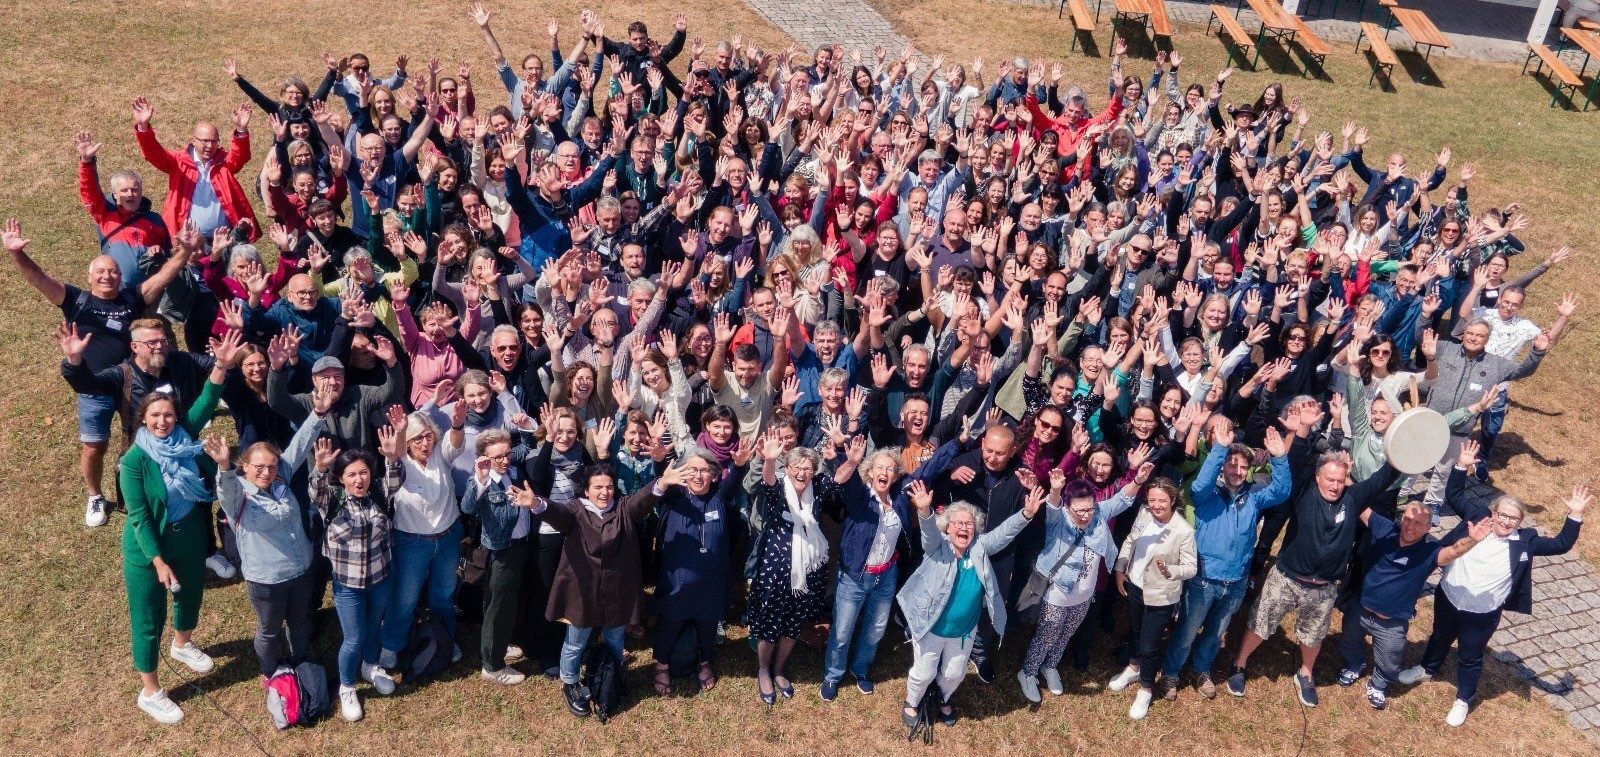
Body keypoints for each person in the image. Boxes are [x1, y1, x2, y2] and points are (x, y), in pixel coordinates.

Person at [5, 218, 190, 526]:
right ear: (89, 277)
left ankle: (152, 486)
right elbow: (39, 279)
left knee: (146, 437)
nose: (108, 276)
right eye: (101, 271)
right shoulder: (75, 300)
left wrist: (185, 252)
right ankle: (95, 496)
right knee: (94, 446)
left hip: (132, 384)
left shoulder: (132, 298)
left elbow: (163, 277)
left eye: (113, 271)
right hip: (93, 386)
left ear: (121, 277)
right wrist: (16, 253)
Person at [1398, 443, 1588, 727]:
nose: (1507, 521)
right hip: (1449, 596)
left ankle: (1463, 699)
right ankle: (1427, 668)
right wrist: (1461, 466)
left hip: (1483, 612)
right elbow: (1454, 495)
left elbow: (1561, 544)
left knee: (1471, 655)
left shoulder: (1526, 541)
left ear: (1520, 521)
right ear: (1493, 512)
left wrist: (1575, 515)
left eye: (1514, 518)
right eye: (1503, 515)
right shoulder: (1477, 518)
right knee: (1439, 636)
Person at [115, 330, 239, 724]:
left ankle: (182, 644)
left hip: (188, 535)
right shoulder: (133, 462)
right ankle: (150, 691)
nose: (163, 421)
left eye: (168, 415)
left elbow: (206, 400)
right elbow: (139, 517)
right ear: (143, 419)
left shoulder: (184, 435)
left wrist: (221, 365)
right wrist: (157, 561)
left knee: (191, 595)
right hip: (147, 548)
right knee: (148, 617)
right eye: (155, 416)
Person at [1226, 451, 1403, 707]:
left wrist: (1405, 449)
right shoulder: (1303, 492)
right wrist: (1295, 439)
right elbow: (1297, 461)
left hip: (1324, 588)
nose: (1335, 486)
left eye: (1340, 481)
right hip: (1286, 578)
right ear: (1318, 477)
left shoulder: (1353, 498)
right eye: (1330, 479)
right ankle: (1239, 663)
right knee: (1261, 623)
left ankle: (1305, 673)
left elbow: (1383, 477)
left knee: (1314, 635)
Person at [821, 440, 963, 701]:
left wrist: (958, 443)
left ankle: (860, 669)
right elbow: (844, 479)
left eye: (889, 469)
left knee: (875, 630)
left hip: (885, 576)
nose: (884, 472)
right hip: (854, 577)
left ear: (895, 475)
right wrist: (848, 459)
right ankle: (833, 674)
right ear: (870, 472)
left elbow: (930, 468)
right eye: (879, 467)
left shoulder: (899, 498)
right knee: (842, 631)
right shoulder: (860, 496)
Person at [1160, 420, 1291, 700]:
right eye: (1232, 465)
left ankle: (1201, 669)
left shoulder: (1254, 497)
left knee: (1216, 632)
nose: (1237, 471)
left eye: (1243, 467)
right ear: (1222, 467)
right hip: (1203, 579)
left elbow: (1282, 492)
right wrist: (1220, 448)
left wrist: (1280, 458)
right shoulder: (1207, 494)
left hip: (1236, 581)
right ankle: (1171, 672)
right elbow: (1199, 485)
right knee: (1188, 630)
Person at [898, 479, 1044, 727]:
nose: (964, 528)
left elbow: (1004, 533)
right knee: (923, 673)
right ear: (947, 527)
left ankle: (941, 697)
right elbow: (929, 533)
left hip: (964, 631)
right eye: (958, 523)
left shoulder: (980, 547)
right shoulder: (937, 547)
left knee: (955, 674)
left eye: (969, 524)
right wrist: (924, 511)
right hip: (932, 628)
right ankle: (912, 702)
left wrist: (1026, 514)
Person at [1016, 463, 1151, 704]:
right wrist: (1055, 490)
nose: (1086, 515)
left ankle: (1050, 666)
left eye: (1089, 509)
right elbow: (1053, 506)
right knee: (1046, 636)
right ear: (1068, 507)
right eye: (1079, 511)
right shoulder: (1059, 520)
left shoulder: (1098, 514)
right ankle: (1028, 672)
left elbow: (1121, 499)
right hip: (1058, 595)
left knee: (1065, 635)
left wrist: (1138, 480)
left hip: (1085, 596)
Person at [206, 410, 323, 680]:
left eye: (271, 466)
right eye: (258, 467)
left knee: (300, 622)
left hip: (301, 570)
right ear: (245, 466)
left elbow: (300, 444)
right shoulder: (238, 495)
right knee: (270, 630)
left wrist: (318, 413)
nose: (266, 472)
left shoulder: (280, 476)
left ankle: (301, 663)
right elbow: (226, 488)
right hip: (267, 581)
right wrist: (223, 466)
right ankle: (271, 674)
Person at [541, 461, 662, 717]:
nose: (604, 492)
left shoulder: (623, 508)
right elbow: (556, 513)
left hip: (617, 589)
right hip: (583, 591)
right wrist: (535, 504)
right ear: (586, 490)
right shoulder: (575, 511)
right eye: (597, 487)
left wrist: (662, 482)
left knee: (615, 638)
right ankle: (570, 682)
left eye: (608, 487)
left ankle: (613, 675)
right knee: (576, 642)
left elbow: (643, 499)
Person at [307, 413, 406, 721]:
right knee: (354, 637)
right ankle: (347, 686)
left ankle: (370, 666)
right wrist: (320, 468)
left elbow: (395, 480)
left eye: (363, 472)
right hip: (347, 584)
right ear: (341, 478)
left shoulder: (378, 493)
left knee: (374, 627)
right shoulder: (333, 499)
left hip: (380, 577)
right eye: (351, 475)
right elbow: (316, 491)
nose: (359, 479)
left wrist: (392, 458)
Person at [652, 443, 755, 695]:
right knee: (671, 621)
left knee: (708, 622)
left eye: (704, 470)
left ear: (713, 475)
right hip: (677, 579)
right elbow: (663, 479)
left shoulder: (719, 498)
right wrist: (659, 461)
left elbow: (733, 482)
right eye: (692, 470)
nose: (698, 476)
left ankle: (705, 661)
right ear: (683, 472)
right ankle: (662, 664)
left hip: (711, 579)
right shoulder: (674, 498)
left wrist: (739, 465)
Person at [747, 437, 839, 704]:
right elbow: (767, 481)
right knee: (770, 621)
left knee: (794, 622)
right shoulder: (778, 488)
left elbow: (840, 479)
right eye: (796, 467)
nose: (801, 473)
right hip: (775, 570)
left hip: (807, 572)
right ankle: (764, 670)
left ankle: (778, 669)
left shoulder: (817, 488)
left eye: (807, 468)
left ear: (814, 471)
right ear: (786, 468)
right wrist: (769, 459)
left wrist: (851, 461)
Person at [378, 405, 469, 669]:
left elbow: (455, 443)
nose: (424, 443)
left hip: (448, 538)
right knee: (405, 597)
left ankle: (445, 639)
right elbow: (393, 459)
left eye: (428, 436)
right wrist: (400, 431)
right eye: (417, 438)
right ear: (407, 442)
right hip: (411, 543)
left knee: (444, 593)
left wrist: (458, 424)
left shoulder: (440, 455)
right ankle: (391, 644)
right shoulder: (399, 463)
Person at [1107, 477, 1196, 720]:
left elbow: (1191, 567)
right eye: (1152, 500)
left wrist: (1171, 570)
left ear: (1173, 500)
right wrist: (1120, 568)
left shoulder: (1183, 531)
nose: (1156, 505)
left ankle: (1146, 688)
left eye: (1162, 501)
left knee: (1149, 644)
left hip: (1161, 595)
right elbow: (1130, 540)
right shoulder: (1144, 513)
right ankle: (1133, 667)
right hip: (1135, 586)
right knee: (1135, 632)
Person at [460, 429, 543, 686]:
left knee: (504, 603)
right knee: (498, 606)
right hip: (501, 551)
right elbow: (467, 507)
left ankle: (497, 644)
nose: (505, 461)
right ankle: (493, 665)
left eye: (507, 454)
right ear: (484, 458)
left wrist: (524, 425)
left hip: (522, 546)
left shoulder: (514, 473)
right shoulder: (483, 480)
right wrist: (481, 478)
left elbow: (527, 444)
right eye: (497, 457)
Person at [131, 97, 261, 240]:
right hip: (189, 242)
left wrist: (241, 130)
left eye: (214, 141)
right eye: (205, 141)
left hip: (225, 238)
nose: (210, 146)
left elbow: (240, 156)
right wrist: (143, 126)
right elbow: (153, 153)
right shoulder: (178, 162)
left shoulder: (223, 162)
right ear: (193, 141)